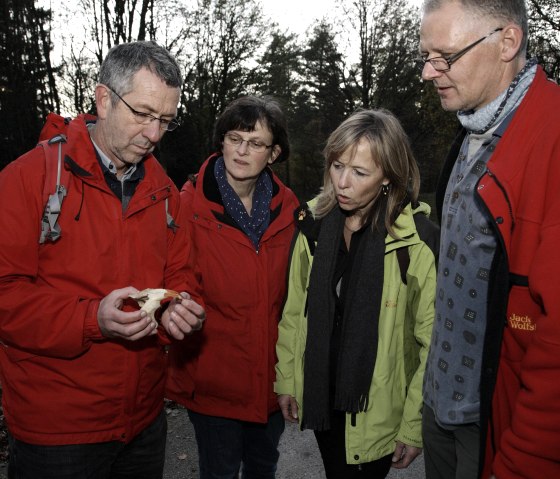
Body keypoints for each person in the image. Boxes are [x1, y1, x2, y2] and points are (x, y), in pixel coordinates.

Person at [0, 41, 206, 479]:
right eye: (144, 114)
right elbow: (5, 296)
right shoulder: (27, 179)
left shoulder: (166, 193)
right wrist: (93, 319)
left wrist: (177, 310)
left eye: (166, 120)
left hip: (144, 423)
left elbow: (180, 276)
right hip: (57, 433)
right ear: (104, 99)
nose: (154, 134)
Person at [418, 1, 560, 478]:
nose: (427, 71)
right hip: (441, 406)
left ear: (507, 42)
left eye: (444, 56)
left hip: (498, 422)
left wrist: (526, 459)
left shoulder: (552, 141)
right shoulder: (473, 127)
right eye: (425, 55)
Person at [275, 108, 439, 478]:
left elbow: (432, 343)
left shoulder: (417, 242)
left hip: (377, 404)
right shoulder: (313, 225)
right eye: (336, 166)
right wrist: (287, 379)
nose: (342, 183)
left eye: (359, 172)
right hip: (322, 396)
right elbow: (294, 311)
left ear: (387, 177)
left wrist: (414, 426)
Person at [165, 95, 299, 478]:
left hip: (269, 380)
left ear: (273, 154)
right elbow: (177, 283)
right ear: (221, 141)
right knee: (219, 471)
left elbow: (297, 296)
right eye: (234, 138)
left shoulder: (290, 209)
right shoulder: (186, 206)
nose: (241, 151)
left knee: (263, 467)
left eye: (255, 143)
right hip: (213, 381)